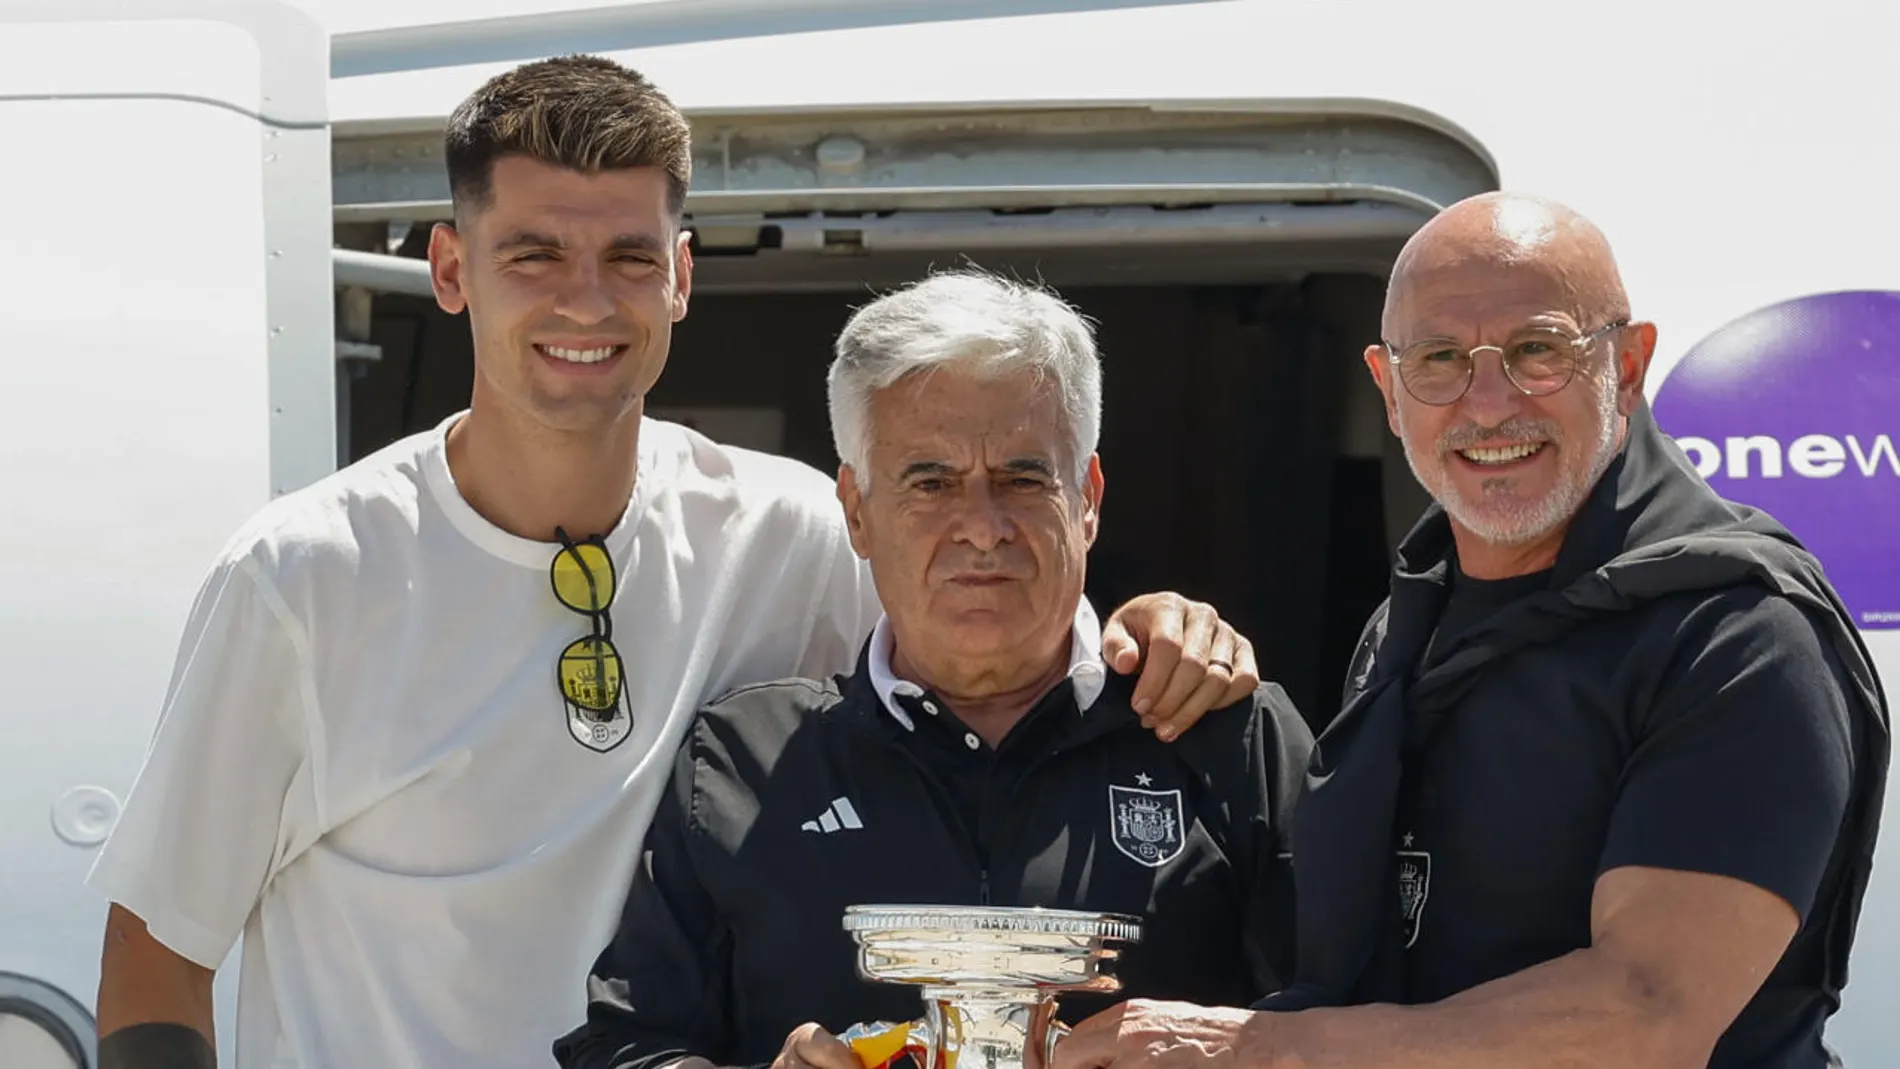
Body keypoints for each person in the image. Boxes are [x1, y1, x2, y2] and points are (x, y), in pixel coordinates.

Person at [86, 56, 1261, 1069]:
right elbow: (153, 963)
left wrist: (1155, 628)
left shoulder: (793, 529)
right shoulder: (300, 577)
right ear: (451, 269)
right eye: (534, 253)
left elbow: (1005, 638)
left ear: (682, 276)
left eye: (631, 258)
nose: (586, 299)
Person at [1049, 192, 1891, 1069]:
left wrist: (1269, 1050)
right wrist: (1182, 657)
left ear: (1629, 366)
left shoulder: (1737, 634)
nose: (1488, 406)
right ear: (1387, 389)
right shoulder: (1407, 627)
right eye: (1441, 360)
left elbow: (1645, 1014)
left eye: (1538, 351)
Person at [550, 269, 1315, 1069]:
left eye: (1023, 478)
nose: (982, 528)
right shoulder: (743, 761)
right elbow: (622, 1045)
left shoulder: (1228, 735)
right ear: (856, 510)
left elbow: (1367, 1020)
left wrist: (1233, 1054)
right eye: (931, 482)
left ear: (1087, 497)